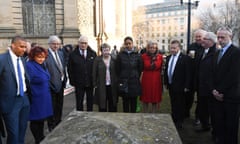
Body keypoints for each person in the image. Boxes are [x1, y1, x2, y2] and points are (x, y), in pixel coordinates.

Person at [211, 27, 240, 144]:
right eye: (218, 37)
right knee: (219, 124)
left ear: (230, 37)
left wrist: (220, 91)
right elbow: (213, 73)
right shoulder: (217, 52)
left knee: (231, 126)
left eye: (223, 37)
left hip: (231, 96)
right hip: (217, 96)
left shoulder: (236, 52)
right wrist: (214, 90)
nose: (220, 40)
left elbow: (234, 75)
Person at [0, 36, 30, 144]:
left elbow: (25, 78)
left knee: (22, 131)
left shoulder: (22, 59)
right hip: (10, 103)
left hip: (24, 99)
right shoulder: (2, 59)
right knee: (14, 134)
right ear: (13, 45)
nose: (24, 49)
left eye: (25, 47)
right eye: (21, 47)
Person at [26, 46, 53, 144]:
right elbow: (27, 83)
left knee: (41, 119)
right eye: (39, 57)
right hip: (36, 98)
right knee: (35, 120)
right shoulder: (29, 66)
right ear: (33, 56)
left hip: (44, 97)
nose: (41, 59)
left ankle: (41, 137)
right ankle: (38, 139)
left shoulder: (42, 64)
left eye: (43, 57)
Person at [164, 39, 191, 129]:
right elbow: (166, 71)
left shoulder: (185, 58)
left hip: (181, 86)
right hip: (171, 85)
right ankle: (174, 117)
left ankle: (180, 121)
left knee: (180, 104)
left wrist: (187, 86)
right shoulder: (168, 58)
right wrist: (166, 82)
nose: (172, 50)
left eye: (174, 48)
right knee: (173, 102)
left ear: (179, 48)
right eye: (171, 48)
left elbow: (188, 73)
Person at [194, 32, 217, 132]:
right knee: (202, 107)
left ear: (211, 41)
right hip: (201, 86)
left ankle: (214, 130)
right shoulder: (202, 51)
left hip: (211, 87)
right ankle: (205, 125)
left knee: (212, 109)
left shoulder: (216, 52)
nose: (202, 40)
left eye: (205, 39)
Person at [68, 35, 97, 111]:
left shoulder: (93, 54)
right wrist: (72, 81)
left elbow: (95, 68)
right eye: (81, 43)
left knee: (90, 102)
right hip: (78, 83)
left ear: (87, 44)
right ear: (78, 43)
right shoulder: (72, 55)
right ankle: (79, 117)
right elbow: (70, 69)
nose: (83, 45)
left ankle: (89, 117)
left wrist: (95, 80)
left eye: (85, 43)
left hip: (90, 82)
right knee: (79, 101)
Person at [45, 35, 67, 132]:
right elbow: (45, 70)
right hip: (51, 85)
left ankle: (58, 121)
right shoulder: (45, 54)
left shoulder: (61, 53)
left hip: (61, 84)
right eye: (54, 44)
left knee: (59, 104)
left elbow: (62, 67)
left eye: (58, 44)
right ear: (49, 44)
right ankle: (51, 125)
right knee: (52, 106)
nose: (56, 46)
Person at [116, 36, 143, 113]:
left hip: (134, 81)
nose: (128, 45)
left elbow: (140, 68)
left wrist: (135, 75)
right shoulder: (120, 55)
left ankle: (133, 120)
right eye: (126, 44)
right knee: (125, 103)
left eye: (129, 43)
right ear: (124, 45)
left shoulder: (137, 55)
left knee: (133, 102)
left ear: (132, 44)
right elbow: (117, 69)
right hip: (124, 81)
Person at [186, 29, 207, 125]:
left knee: (200, 99)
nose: (198, 38)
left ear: (204, 37)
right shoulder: (191, 46)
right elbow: (188, 59)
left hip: (202, 78)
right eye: (196, 36)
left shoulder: (206, 47)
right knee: (188, 96)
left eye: (200, 36)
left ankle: (198, 116)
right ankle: (186, 113)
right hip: (191, 76)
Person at [92, 43, 118, 112]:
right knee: (102, 103)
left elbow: (117, 71)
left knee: (112, 102)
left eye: (107, 50)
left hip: (112, 85)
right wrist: (94, 84)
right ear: (101, 51)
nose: (106, 52)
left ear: (109, 50)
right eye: (104, 50)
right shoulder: (97, 60)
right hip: (101, 85)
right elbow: (94, 72)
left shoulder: (113, 59)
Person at [140, 41, 163, 113]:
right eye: (150, 48)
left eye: (154, 48)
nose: (152, 49)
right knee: (145, 98)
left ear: (156, 48)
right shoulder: (143, 56)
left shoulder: (160, 57)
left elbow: (162, 68)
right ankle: (145, 114)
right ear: (148, 48)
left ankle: (154, 114)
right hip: (146, 79)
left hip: (156, 79)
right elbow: (141, 68)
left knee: (155, 98)